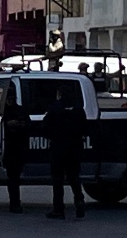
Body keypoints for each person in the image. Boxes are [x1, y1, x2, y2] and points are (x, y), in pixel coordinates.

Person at [43, 85, 86, 219]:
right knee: (74, 178)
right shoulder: (78, 109)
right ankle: (79, 204)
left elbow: (45, 128)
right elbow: (85, 128)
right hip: (74, 148)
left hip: (58, 148)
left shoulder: (55, 108)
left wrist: (55, 136)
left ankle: (58, 209)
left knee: (58, 180)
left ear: (60, 94)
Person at [2, 81, 30, 213]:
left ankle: (15, 203)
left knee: (14, 177)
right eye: (8, 99)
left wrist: (19, 125)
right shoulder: (2, 112)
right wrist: (7, 125)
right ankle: (14, 202)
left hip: (17, 148)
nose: (10, 101)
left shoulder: (20, 110)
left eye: (12, 99)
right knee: (12, 177)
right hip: (6, 147)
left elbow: (28, 125)